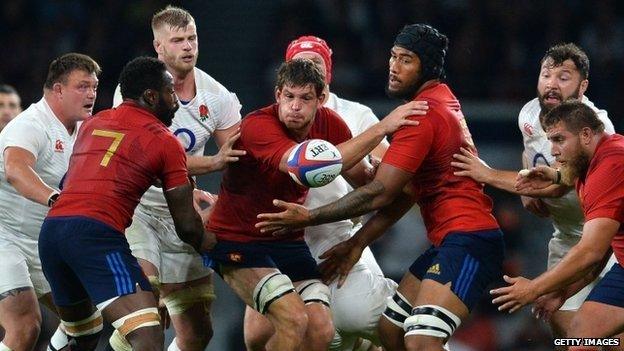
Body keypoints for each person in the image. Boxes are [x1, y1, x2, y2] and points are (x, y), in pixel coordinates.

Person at [256, 24, 504, 351]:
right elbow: (405, 193)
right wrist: (359, 241)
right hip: (446, 239)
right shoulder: (437, 101)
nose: (393, 67)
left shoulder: (417, 116)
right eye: (393, 57)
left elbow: (379, 191)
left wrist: (310, 217)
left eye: (406, 60)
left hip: (469, 238)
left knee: (420, 338)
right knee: (390, 332)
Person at [205, 58, 424, 351]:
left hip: (289, 241)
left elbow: (367, 185)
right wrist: (383, 127)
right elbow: (305, 165)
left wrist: (393, 179)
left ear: (321, 99)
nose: (295, 106)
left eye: (305, 98)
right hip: (241, 240)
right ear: (278, 95)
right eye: (289, 97)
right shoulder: (258, 126)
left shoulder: (331, 123)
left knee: (321, 330)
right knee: (281, 326)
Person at [38, 56, 211, 351]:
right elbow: (187, 227)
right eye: (170, 93)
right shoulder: (166, 141)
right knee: (147, 337)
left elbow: (74, 181)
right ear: (150, 96)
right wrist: (226, 248)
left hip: (52, 233)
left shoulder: (94, 122)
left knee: (83, 336)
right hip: (95, 235)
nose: (175, 102)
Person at [450, 43, 617, 343]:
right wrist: (527, 192)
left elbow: (561, 183)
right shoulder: (529, 114)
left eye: (563, 77)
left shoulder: (594, 128)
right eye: (546, 74)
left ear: (583, 86)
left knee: (598, 331)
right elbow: (532, 155)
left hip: (606, 238)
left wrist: (488, 175)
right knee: (566, 329)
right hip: (568, 234)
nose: (552, 84)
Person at [243, 35, 397, 351]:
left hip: (336, 235)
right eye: (300, 64)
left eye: (316, 64)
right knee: (258, 337)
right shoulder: (273, 118)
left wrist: (376, 165)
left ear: (327, 74)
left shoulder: (355, 115)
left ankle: (407, 328)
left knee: (352, 318)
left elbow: (383, 176)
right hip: (283, 238)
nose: (308, 69)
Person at [111, 6, 244, 351]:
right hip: (137, 210)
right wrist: (212, 163)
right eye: (178, 40)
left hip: (183, 213)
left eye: (192, 38)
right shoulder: (135, 88)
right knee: (144, 313)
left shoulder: (217, 96)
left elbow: (238, 159)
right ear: (158, 46)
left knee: (198, 333)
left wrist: (224, 206)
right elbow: (151, 160)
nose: (188, 46)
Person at [491, 100, 624, 350]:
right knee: (580, 337)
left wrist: (533, 288)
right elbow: (603, 248)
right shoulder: (594, 160)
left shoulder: (611, 166)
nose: (552, 151)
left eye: (559, 140)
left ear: (586, 134)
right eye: (550, 140)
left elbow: (590, 252)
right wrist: (563, 292)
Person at [0, 53, 102, 351]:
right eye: (82, 87)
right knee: (24, 324)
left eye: (94, 87)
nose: (92, 94)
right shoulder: (31, 124)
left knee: (87, 325)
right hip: (5, 237)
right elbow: (16, 169)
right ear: (58, 90)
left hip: (43, 243)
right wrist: (56, 199)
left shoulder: (86, 129)